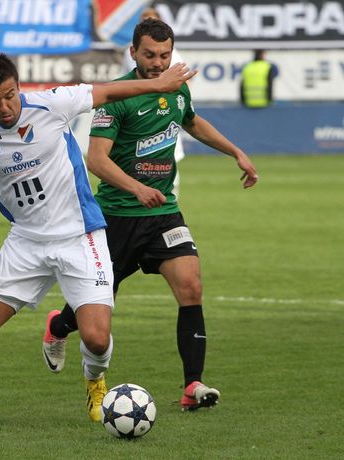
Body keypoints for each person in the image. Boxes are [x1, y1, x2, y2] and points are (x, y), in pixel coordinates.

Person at [0, 52, 195, 425]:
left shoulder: (51, 104)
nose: (6, 107)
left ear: (18, 87)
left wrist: (158, 83)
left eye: (10, 95)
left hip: (79, 235)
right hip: (26, 240)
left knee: (96, 338)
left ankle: (95, 382)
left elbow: (106, 92)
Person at [43, 18, 259, 412]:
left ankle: (192, 386)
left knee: (191, 286)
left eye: (165, 55)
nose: (159, 63)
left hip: (164, 215)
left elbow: (191, 121)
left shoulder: (177, 89)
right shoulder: (118, 96)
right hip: (117, 217)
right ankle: (58, 326)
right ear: (133, 53)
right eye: (150, 55)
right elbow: (96, 159)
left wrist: (236, 152)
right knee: (93, 309)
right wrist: (137, 187)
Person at [122, 6, 186, 197]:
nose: (157, 62)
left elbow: (185, 80)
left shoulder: (173, 52)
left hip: (165, 117)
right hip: (137, 113)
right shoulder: (129, 52)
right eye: (143, 17)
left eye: (164, 56)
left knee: (169, 177)